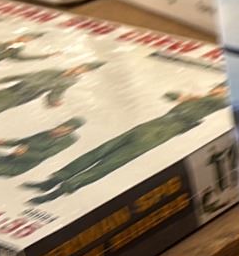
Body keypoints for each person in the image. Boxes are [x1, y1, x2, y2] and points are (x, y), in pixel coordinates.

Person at [25, 84, 225, 203]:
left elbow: (226, 102)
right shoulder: (200, 98)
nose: (219, 90)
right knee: (101, 151)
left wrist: (204, 97)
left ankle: (63, 189)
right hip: (153, 124)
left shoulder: (215, 102)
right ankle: (55, 179)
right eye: (219, 87)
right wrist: (186, 96)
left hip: (164, 131)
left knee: (112, 161)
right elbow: (169, 94)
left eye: (223, 89)